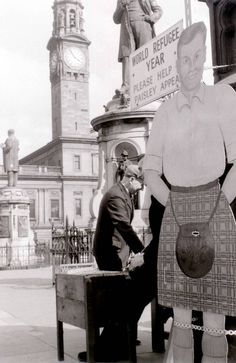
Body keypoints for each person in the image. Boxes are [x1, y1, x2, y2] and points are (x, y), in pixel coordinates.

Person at [143, 21, 236, 363]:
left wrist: (220, 200)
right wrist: (172, 203)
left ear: (205, 58)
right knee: (180, 315)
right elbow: (150, 169)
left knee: (214, 315)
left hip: (216, 204)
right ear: (176, 64)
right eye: (185, 59)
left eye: (199, 56)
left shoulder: (223, 98)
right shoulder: (165, 112)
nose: (193, 64)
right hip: (176, 209)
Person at [78, 164, 145, 362]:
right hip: (110, 252)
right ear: (131, 179)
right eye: (140, 184)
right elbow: (123, 225)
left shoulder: (123, 194)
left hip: (118, 251)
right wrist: (141, 250)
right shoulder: (115, 195)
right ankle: (105, 347)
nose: (141, 188)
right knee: (116, 298)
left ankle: (121, 338)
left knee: (121, 295)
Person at [113, 0, 162, 93]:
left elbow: (158, 10)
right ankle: (126, 86)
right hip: (127, 28)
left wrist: (152, 18)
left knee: (144, 55)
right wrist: (122, 5)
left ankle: (147, 84)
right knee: (126, 55)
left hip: (143, 26)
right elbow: (115, 19)